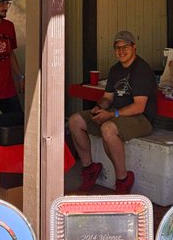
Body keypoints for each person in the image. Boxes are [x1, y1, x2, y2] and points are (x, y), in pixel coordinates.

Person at [67, 30, 157, 195]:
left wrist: (111, 114)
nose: (121, 51)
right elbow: (107, 97)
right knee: (75, 120)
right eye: (117, 48)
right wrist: (99, 106)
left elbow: (139, 106)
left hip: (141, 119)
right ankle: (89, 169)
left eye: (125, 47)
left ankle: (123, 179)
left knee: (107, 128)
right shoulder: (115, 69)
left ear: (134, 47)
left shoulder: (141, 70)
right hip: (115, 114)